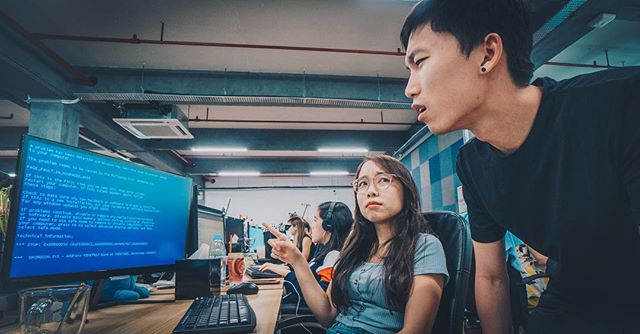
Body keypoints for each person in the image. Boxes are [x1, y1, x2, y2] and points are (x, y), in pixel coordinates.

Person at [401, 1, 640, 333]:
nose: (410, 88)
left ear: (487, 53)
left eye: (420, 62)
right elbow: (491, 276)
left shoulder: (620, 105)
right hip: (572, 301)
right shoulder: (472, 165)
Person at [265, 155, 448, 333]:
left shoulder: (424, 246)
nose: (371, 191)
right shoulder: (355, 247)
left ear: (406, 189)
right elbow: (327, 315)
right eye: (362, 184)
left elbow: (416, 330)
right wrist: (297, 260)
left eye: (383, 180)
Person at [260, 202, 353, 306]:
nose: (311, 226)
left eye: (315, 220)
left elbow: (318, 299)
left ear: (328, 225)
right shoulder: (322, 250)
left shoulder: (333, 256)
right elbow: (308, 279)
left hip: (301, 308)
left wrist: (286, 273)